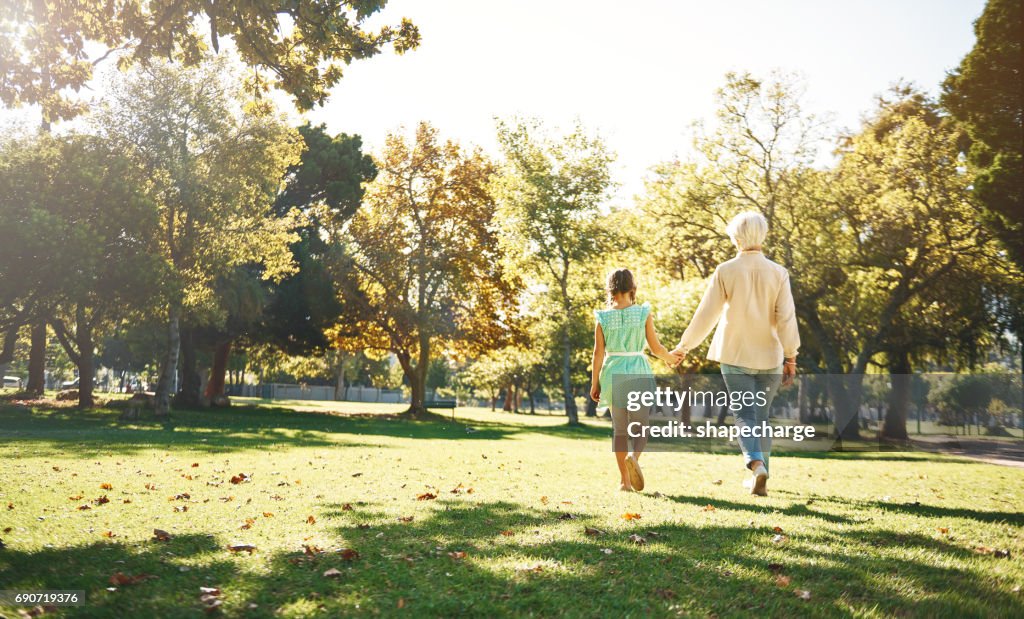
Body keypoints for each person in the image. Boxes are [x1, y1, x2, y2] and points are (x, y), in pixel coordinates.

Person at [671, 212, 800, 496]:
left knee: (744, 414)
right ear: (762, 236)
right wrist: (791, 356)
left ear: (737, 238)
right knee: (761, 417)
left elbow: (707, 314)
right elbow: (787, 318)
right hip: (770, 356)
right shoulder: (778, 272)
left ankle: (756, 466)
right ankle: (761, 473)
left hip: (735, 355)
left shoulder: (726, 270)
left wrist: (684, 346)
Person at [591, 268, 682, 492]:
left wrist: (595, 384)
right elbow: (656, 348)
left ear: (610, 290)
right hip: (638, 370)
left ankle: (625, 482)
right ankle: (634, 456)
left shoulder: (603, 317)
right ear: (633, 288)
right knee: (641, 427)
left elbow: (598, 354)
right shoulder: (642, 313)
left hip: (612, 373)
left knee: (620, 430)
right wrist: (671, 358)